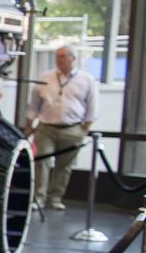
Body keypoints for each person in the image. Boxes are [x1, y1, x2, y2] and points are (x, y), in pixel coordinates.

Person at [29, 44, 99, 210]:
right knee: (42, 162)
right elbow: (34, 103)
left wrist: (84, 128)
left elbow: (92, 106)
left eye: (63, 56)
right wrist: (29, 123)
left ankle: (55, 197)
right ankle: (38, 198)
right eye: (57, 56)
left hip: (72, 128)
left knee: (64, 166)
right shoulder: (46, 77)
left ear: (73, 59)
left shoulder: (86, 80)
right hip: (46, 127)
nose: (59, 60)